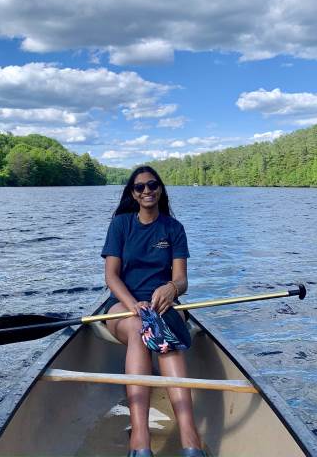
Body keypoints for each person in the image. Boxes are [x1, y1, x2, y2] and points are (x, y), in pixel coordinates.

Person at [101, 165, 205, 457]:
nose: (147, 190)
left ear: (160, 189)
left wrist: (172, 288)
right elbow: (111, 276)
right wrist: (133, 304)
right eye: (140, 187)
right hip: (124, 304)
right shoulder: (121, 225)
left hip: (164, 306)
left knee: (162, 331)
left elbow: (182, 279)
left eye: (152, 184)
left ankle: (190, 436)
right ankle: (140, 436)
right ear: (132, 194)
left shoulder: (174, 228)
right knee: (139, 328)